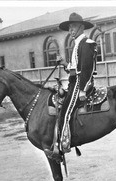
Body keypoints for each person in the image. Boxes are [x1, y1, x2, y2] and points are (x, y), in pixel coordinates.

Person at [45, 12, 98, 160]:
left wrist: (82, 90)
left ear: (81, 27)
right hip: (74, 82)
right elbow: (75, 68)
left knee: (65, 112)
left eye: (73, 27)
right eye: (70, 28)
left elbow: (86, 69)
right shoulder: (77, 44)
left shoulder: (86, 44)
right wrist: (64, 63)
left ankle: (60, 148)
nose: (71, 31)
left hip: (80, 84)